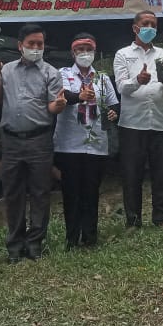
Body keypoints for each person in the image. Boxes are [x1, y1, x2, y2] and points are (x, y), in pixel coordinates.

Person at [0, 24, 66, 262]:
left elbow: (52, 105)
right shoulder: (6, 70)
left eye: (40, 44)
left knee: (41, 192)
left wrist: (58, 106)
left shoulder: (51, 72)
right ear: (20, 45)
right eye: (31, 44)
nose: (35, 48)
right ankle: (15, 244)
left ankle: (35, 243)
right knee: (13, 193)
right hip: (10, 140)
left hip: (39, 139)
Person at [53, 33, 119, 248]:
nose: (84, 53)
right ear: (73, 53)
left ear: (94, 52)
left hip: (96, 142)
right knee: (71, 191)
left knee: (91, 190)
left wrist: (113, 113)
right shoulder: (62, 74)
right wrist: (78, 97)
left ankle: (90, 236)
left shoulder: (102, 78)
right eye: (80, 49)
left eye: (88, 49)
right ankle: (72, 237)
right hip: (69, 142)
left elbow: (113, 104)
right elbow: (62, 97)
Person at [113, 11, 163, 228]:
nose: (150, 27)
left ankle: (162, 217)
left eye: (154, 24)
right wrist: (138, 80)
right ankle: (133, 220)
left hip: (161, 122)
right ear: (135, 27)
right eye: (146, 24)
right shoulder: (122, 54)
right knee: (132, 173)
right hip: (132, 123)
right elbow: (122, 87)